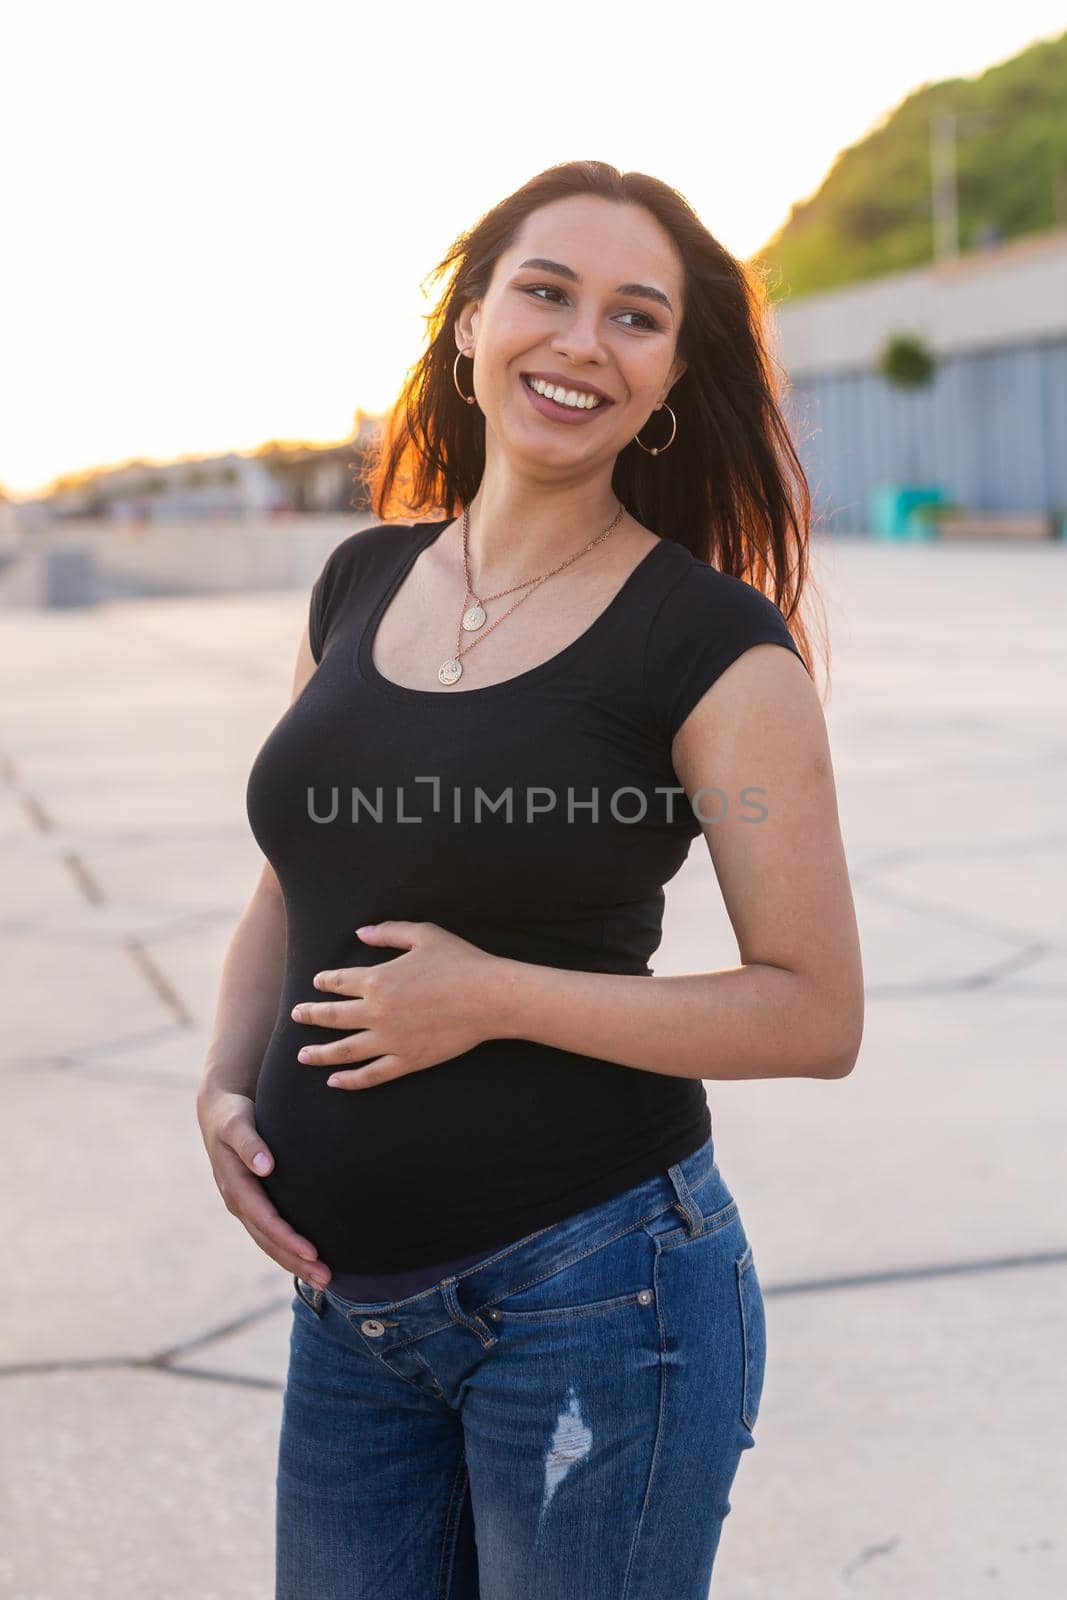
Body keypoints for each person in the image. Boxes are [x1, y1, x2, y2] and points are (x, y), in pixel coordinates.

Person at [196, 159, 863, 1599]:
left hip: (599, 1300)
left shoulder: (714, 646)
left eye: (636, 318)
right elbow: (286, 882)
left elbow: (814, 1014)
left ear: (673, 375)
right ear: (469, 326)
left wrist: (492, 997)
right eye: (545, 293)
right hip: (349, 1316)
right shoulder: (361, 580)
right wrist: (227, 1086)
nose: (578, 342)